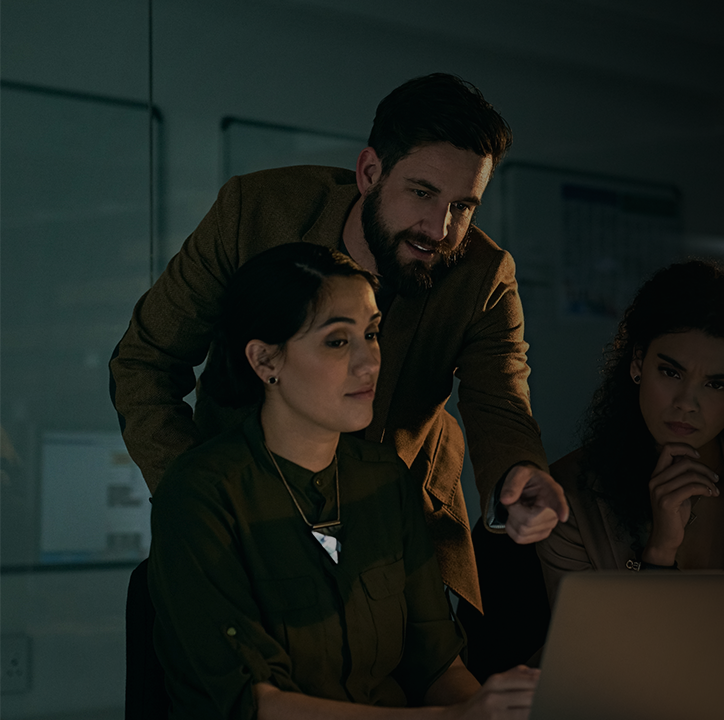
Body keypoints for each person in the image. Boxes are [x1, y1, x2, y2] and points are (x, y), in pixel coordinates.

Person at [110, 74, 569, 621]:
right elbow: (146, 362)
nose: (440, 229)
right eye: (422, 193)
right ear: (370, 172)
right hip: (243, 516)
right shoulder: (254, 213)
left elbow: (500, 398)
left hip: (394, 533)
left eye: (463, 206)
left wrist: (520, 476)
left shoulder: (484, 274)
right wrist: (208, 503)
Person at [148, 243, 539, 718]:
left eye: (371, 334)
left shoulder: (385, 478)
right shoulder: (201, 493)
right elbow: (257, 705)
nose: (369, 362)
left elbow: (437, 665)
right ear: (265, 361)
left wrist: (488, 710)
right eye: (337, 341)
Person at [536, 260, 724, 604]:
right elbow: (589, 649)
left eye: (716, 385)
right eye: (671, 373)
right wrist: (660, 551)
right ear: (637, 363)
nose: (687, 403)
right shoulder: (567, 496)